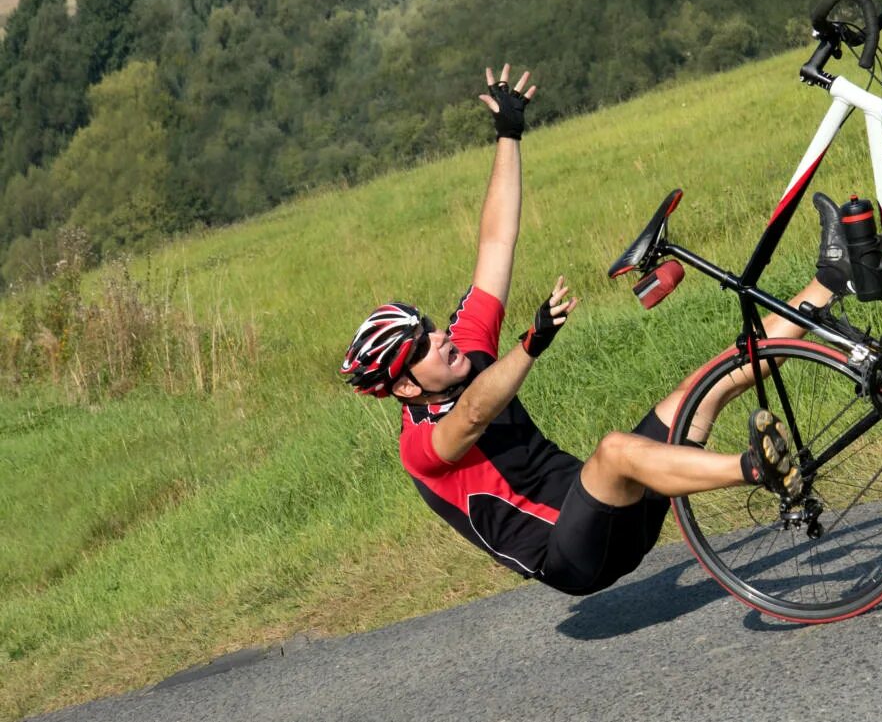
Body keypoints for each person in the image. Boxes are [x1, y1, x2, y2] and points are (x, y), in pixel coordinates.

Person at [340, 64, 852, 597]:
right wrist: (530, 346)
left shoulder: (466, 347)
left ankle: (831, 283)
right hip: (570, 556)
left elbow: (496, 243)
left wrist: (508, 137)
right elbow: (472, 413)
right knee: (615, 449)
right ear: (404, 386)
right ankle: (756, 468)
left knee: (704, 387)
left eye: (427, 325)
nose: (438, 336)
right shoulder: (420, 445)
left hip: (611, 508)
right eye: (421, 345)